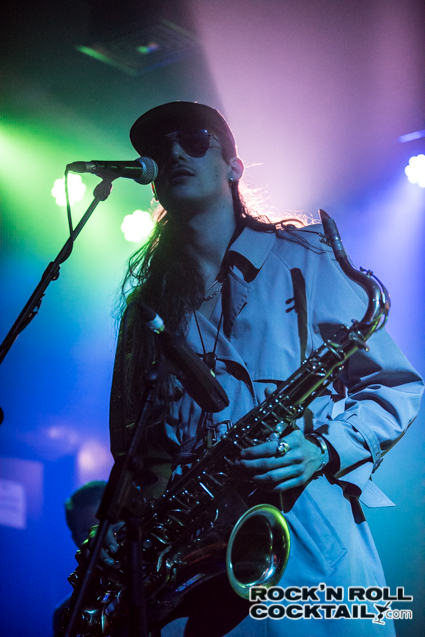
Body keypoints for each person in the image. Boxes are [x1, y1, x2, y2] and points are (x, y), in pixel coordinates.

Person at [105, 102, 423, 636]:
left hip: (311, 552)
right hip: (195, 579)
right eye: (161, 149)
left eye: (194, 141)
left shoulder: (307, 260)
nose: (175, 153)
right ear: (153, 183)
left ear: (234, 167)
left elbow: (395, 386)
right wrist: (125, 523)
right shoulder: (147, 311)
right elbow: (140, 454)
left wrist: (323, 447)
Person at [53, 481, 106, 635]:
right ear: (76, 540)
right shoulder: (66, 614)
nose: (98, 536)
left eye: (105, 524)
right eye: (88, 530)